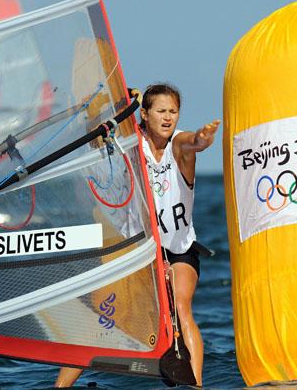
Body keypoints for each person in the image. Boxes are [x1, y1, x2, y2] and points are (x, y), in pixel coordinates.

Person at [55, 83, 220, 388]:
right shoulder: (132, 140)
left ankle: (195, 385)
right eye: (161, 111)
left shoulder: (179, 146)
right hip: (138, 250)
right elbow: (100, 133)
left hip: (178, 249)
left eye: (173, 111)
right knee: (102, 316)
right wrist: (114, 105)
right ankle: (60, 386)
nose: (168, 117)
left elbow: (191, 142)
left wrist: (202, 139)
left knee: (181, 305)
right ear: (145, 113)